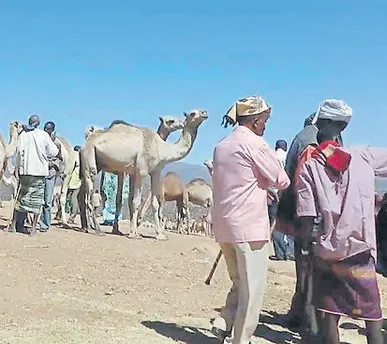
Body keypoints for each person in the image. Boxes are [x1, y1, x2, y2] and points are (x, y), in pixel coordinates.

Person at [295, 99, 385, 344]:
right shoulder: (364, 156)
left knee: (329, 313)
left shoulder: (310, 165)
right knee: (371, 313)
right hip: (361, 249)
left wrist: (304, 248)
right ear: (343, 127)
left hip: (328, 252)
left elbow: (307, 215)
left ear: (320, 124)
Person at [211, 95, 290, 344]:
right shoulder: (255, 144)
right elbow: (281, 179)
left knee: (239, 281)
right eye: (264, 121)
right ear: (255, 121)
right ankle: (241, 339)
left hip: (225, 225)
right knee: (252, 289)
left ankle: (223, 321)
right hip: (250, 227)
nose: (265, 126)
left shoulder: (221, 145)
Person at [10, 115, 59, 235]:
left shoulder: (23, 135)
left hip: (25, 171)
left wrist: (17, 168)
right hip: (39, 172)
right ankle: (32, 229)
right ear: (38, 123)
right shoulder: (43, 135)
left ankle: (14, 226)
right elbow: (53, 152)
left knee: (21, 199)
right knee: (37, 201)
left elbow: (18, 153)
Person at [269, 140, 295, 261]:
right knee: (289, 224)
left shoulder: (272, 157)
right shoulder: (289, 156)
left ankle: (280, 253)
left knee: (276, 224)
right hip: (289, 194)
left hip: (274, 194)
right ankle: (290, 252)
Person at [39, 121, 64, 232]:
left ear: (52, 130)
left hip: (50, 173)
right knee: (38, 199)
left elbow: (60, 159)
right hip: (39, 172)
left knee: (47, 201)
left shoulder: (57, 143)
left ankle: (45, 224)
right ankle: (36, 222)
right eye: (45, 128)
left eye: (48, 129)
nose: (46, 130)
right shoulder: (39, 140)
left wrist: (52, 165)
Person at [67, 145, 82, 223]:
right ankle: (72, 215)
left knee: (72, 198)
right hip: (76, 179)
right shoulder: (80, 157)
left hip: (73, 178)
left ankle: (72, 215)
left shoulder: (74, 156)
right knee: (73, 198)